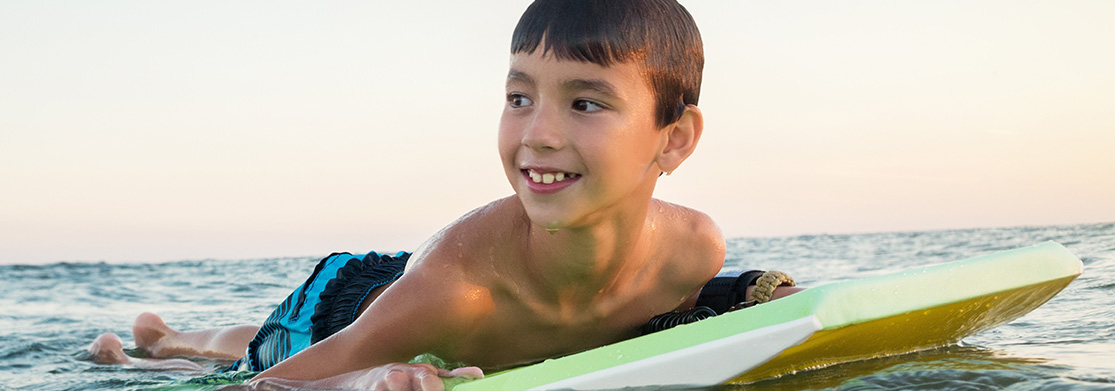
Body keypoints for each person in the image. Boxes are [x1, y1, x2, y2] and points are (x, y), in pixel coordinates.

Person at [88, 1, 802, 389]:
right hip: (348, 300)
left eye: (585, 103)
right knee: (258, 356)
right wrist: (363, 382)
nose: (538, 133)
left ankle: (170, 335)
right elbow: (270, 390)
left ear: (672, 141)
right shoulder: (458, 291)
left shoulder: (695, 250)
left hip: (418, 291)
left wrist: (742, 297)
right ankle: (158, 345)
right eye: (519, 96)